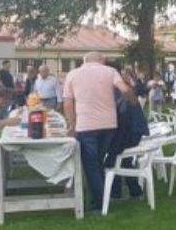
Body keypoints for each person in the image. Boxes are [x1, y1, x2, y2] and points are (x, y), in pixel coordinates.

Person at [63, 52, 134, 212]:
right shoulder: (110, 72)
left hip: (86, 125)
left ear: (84, 60)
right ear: (100, 59)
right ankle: (103, 197)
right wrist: (131, 98)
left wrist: (71, 125)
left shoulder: (73, 74)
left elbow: (68, 103)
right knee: (98, 161)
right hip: (109, 124)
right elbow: (124, 89)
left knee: (91, 164)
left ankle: (99, 203)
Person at [106, 76, 150, 201]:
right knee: (124, 161)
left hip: (128, 133)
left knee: (112, 160)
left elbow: (122, 121)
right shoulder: (126, 94)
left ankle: (116, 193)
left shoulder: (120, 96)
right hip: (133, 132)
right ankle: (133, 192)